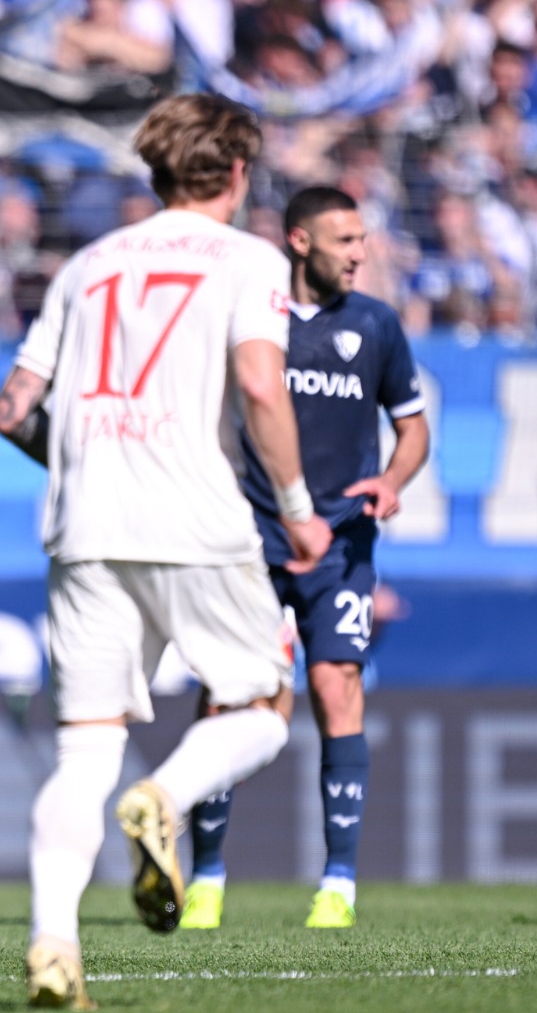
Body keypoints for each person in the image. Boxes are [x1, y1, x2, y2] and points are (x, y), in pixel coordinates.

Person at [0, 94, 331, 1010]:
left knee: (84, 750)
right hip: (195, 516)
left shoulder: (88, 265)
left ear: (155, 170)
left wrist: (81, 456)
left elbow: (13, 408)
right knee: (264, 706)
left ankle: (53, 944)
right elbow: (261, 384)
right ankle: (168, 799)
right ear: (238, 173)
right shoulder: (250, 260)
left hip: (85, 524)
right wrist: (298, 508)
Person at [180, 186, 429, 932]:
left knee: (335, 685)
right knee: (229, 694)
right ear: (299, 241)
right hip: (250, 538)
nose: (360, 254)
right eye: (345, 240)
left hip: (341, 541)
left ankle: (338, 884)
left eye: (362, 239)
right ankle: (206, 878)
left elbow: (413, 428)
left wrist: (392, 479)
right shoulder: (251, 317)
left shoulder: (376, 325)